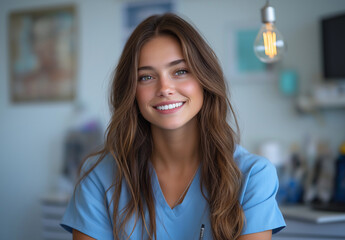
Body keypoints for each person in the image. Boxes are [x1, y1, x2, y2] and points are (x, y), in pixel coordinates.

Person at [60, 13, 286, 240]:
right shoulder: (98, 178)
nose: (165, 88)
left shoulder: (252, 177)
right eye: (146, 77)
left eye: (180, 71)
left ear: (204, 79)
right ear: (131, 92)